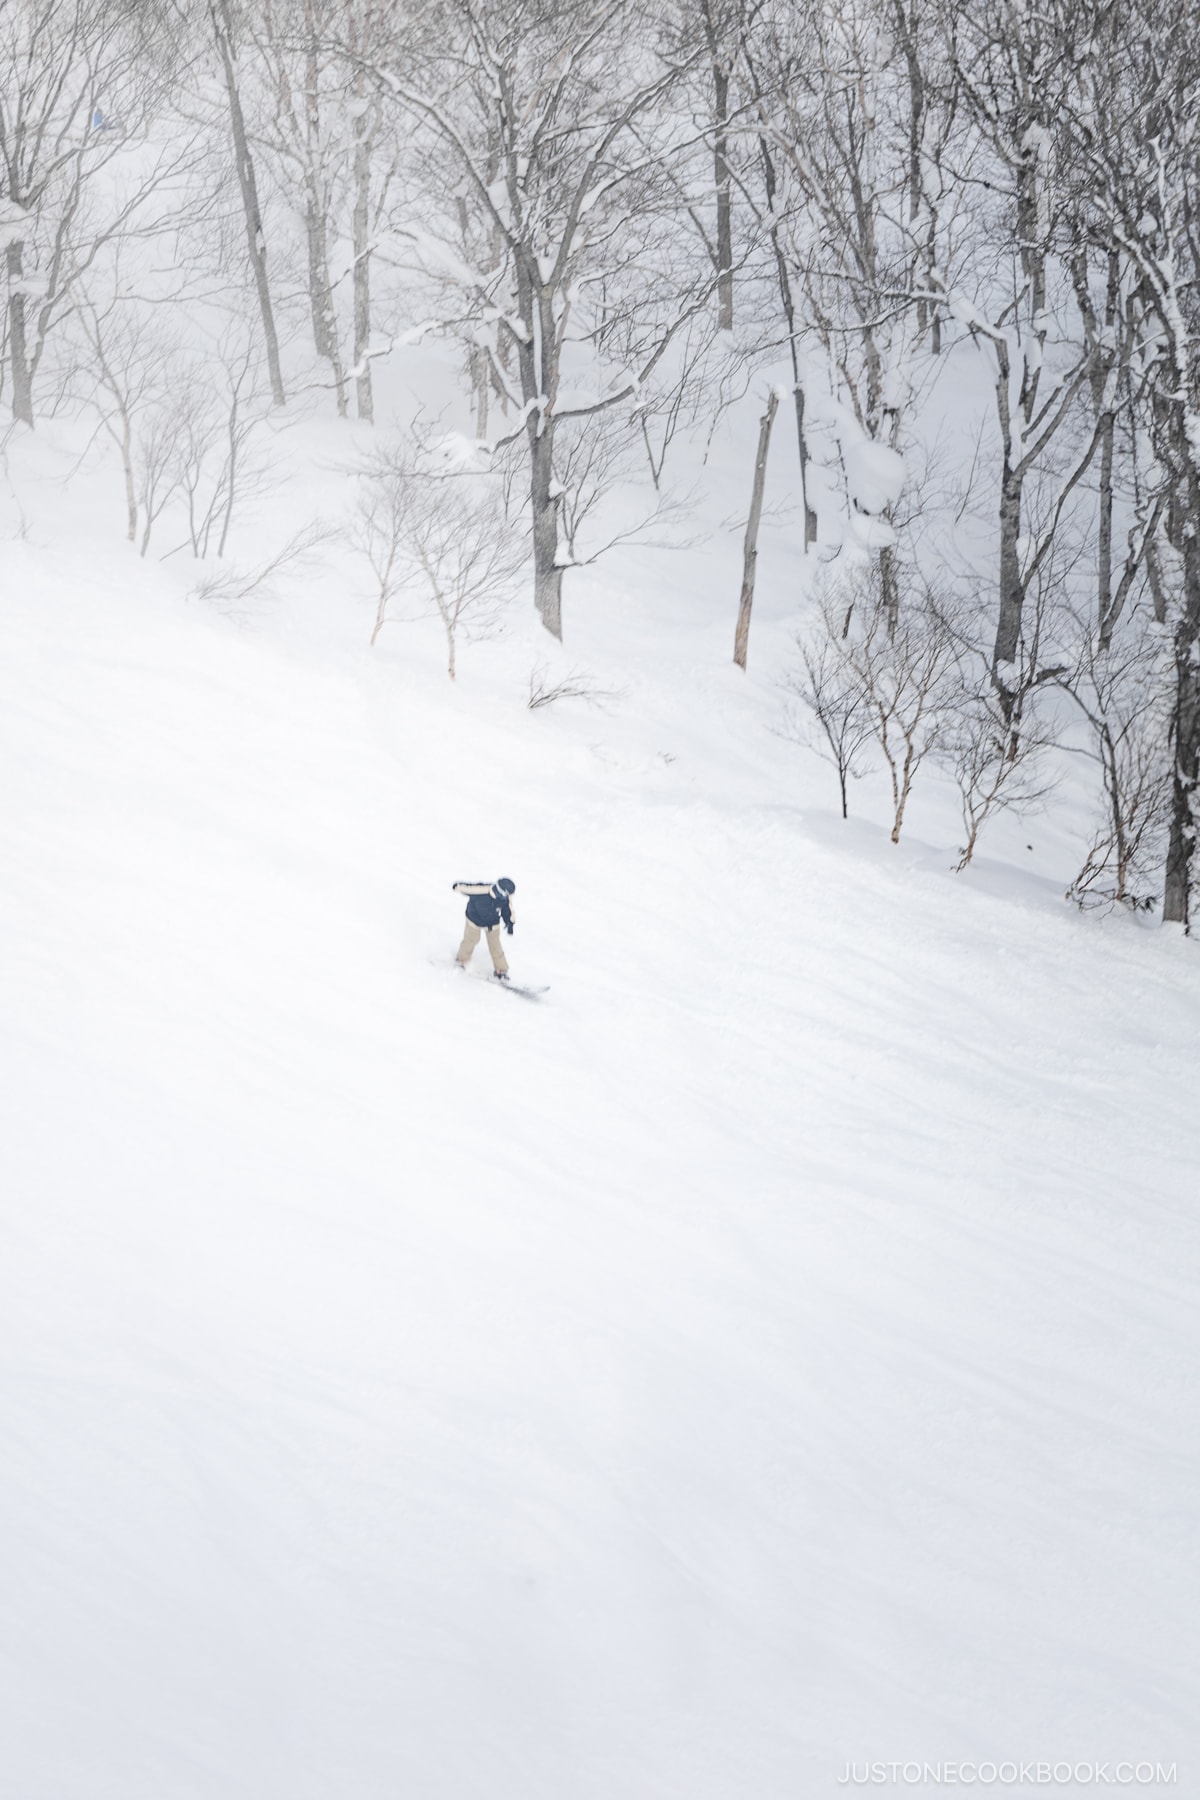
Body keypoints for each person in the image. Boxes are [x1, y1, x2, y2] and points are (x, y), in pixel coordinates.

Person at [452, 878, 516, 979]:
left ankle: (501, 970)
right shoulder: (481, 891)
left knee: (495, 945)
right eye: (504, 894)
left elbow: (508, 910)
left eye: (508, 895)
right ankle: (462, 960)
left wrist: (510, 922)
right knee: (471, 940)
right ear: (499, 890)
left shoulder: (505, 898)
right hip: (474, 920)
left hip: (492, 923)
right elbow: (467, 888)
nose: (506, 897)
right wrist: (457, 887)